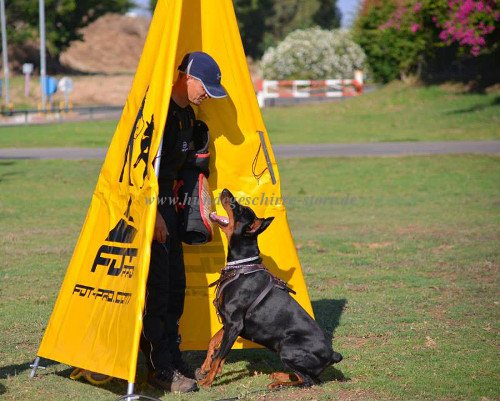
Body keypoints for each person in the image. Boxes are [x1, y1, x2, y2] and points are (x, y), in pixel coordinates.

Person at [140, 51, 227, 393]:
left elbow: (190, 174)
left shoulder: (189, 115)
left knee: (175, 289)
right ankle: (159, 368)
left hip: (173, 212)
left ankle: (172, 358)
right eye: (205, 86)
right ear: (187, 77)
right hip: (154, 211)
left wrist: (205, 212)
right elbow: (146, 171)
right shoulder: (160, 114)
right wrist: (156, 214)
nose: (208, 94)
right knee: (158, 292)